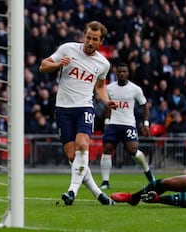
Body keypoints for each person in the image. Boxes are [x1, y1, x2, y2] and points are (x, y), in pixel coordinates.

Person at [39, 21, 118, 206]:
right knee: (73, 157)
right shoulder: (68, 49)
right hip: (63, 110)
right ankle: (99, 195)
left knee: (83, 143)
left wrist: (106, 101)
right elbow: (43, 66)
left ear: (101, 41)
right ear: (84, 36)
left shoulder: (103, 64)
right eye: (88, 37)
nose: (90, 42)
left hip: (84, 107)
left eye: (95, 39)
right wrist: (58, 64)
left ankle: (72, 191)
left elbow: (100, 86)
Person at [99, 63, 155, 190]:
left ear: (128, 73)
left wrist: (146, 123)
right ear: (116, 73)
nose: (122, 74)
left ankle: (148, 173)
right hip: (113, 124)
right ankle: (105, 182)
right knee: (107, 149)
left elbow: (145, 105)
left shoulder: (135, 89)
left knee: (133, 150)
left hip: (128, 124)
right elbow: (109, 105)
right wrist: (106, 122)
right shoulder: (109, 88)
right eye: (119, 72)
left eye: (124, 72)